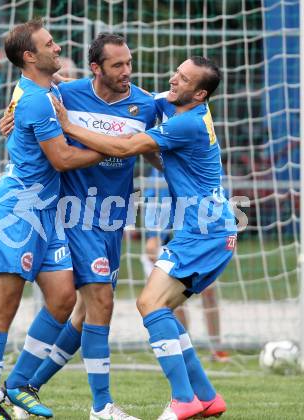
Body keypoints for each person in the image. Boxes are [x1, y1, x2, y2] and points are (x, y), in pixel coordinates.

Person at [53, 56, 236, 419]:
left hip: (204, 231)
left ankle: (184, 399)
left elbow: (123, 147)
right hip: (210, 229)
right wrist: (58, 80)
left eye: (183, 79)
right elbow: (137, 103)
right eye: (177, 72)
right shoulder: (178, 104)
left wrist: (67, 123)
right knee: (161, 307)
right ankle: (206, 395)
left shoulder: (188, 123)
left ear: (199, 93)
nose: (174, 79)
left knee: (149, 304)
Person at [0, 33, 159, 420]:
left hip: (113, 218)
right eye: (117, 65)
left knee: (86, 314)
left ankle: (22, 388)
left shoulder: (146, 105)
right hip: (75, 213)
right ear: (96, 68)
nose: (126, 71)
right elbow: (25, 105)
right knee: (101, 302)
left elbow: (159, 148)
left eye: (129, 63)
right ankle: (101, 406)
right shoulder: (64, 94)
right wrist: (7, 118)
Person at [0, 19, 105, 420]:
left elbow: (21, 121)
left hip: (47, 210)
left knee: (63, 298)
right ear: (30, 56)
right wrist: (120, 149)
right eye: (49, 43)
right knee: (2, 308)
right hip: (18, 212)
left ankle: (19, 384)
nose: (58, 47)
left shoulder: (44, 90)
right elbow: (61, 159)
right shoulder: (36, 100)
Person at [142, 167, 229, 362]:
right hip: (170, 236)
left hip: (199, 234)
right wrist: (153, 236)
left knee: (209, 290)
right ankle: (183, 348)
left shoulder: (206, 159)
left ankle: (217, 347)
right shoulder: (162, 165)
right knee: (170, 297)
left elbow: (220, 196)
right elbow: (154, 199)